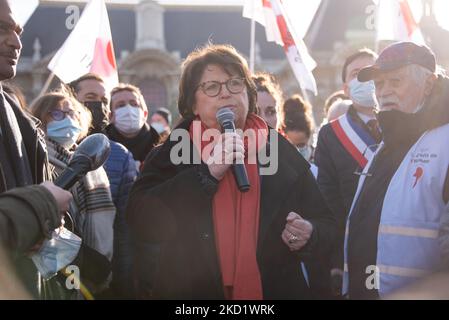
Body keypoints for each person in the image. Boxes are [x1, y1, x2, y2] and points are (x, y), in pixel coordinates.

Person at [126, 44, 336, 299]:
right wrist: (206, 174)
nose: (225, 94)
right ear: (193, 103)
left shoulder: (279, 150)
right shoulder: (175, 148)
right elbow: (140, 219)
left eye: (235, 84)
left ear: (248, 95)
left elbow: (326, 224)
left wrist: (309, 232)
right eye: (212, 87)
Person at [343, 41, 449, 299]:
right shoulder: (388, 141)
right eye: (379, 84)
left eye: (396, 81)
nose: (385, 92)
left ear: (428, 84)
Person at [0, 0, 72, 298]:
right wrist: (38, 205)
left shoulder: (19, 117)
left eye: (18, 31)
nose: (16, 41)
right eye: (3, 29)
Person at [314, 48, 381, 297]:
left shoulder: (404, 128)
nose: (366, 79)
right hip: (352, 250)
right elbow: (327, 202)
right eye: (357, 73)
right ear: (345, 87)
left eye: (372, 72)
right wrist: (335, 260)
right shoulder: (330, 135)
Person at [68, 74, 138, 298]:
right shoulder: (44, 150)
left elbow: (126, 227)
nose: (98, 106)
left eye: (104, 100)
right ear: (72, 100)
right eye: (90, 97)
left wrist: (123, 284)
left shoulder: (119, 155)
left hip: (104, 277)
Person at [107, 83, 160, 166]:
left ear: (145, 114)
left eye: (134, 104)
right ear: (110, 116)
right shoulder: (102, 147)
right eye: (121, 105)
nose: (129, 109)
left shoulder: (162, 144)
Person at [278, 94, 315, 163]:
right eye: (291, 146)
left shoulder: (319, 160)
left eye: (301, 145)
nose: (296, 151)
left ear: (308, 139)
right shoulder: (277, 162)